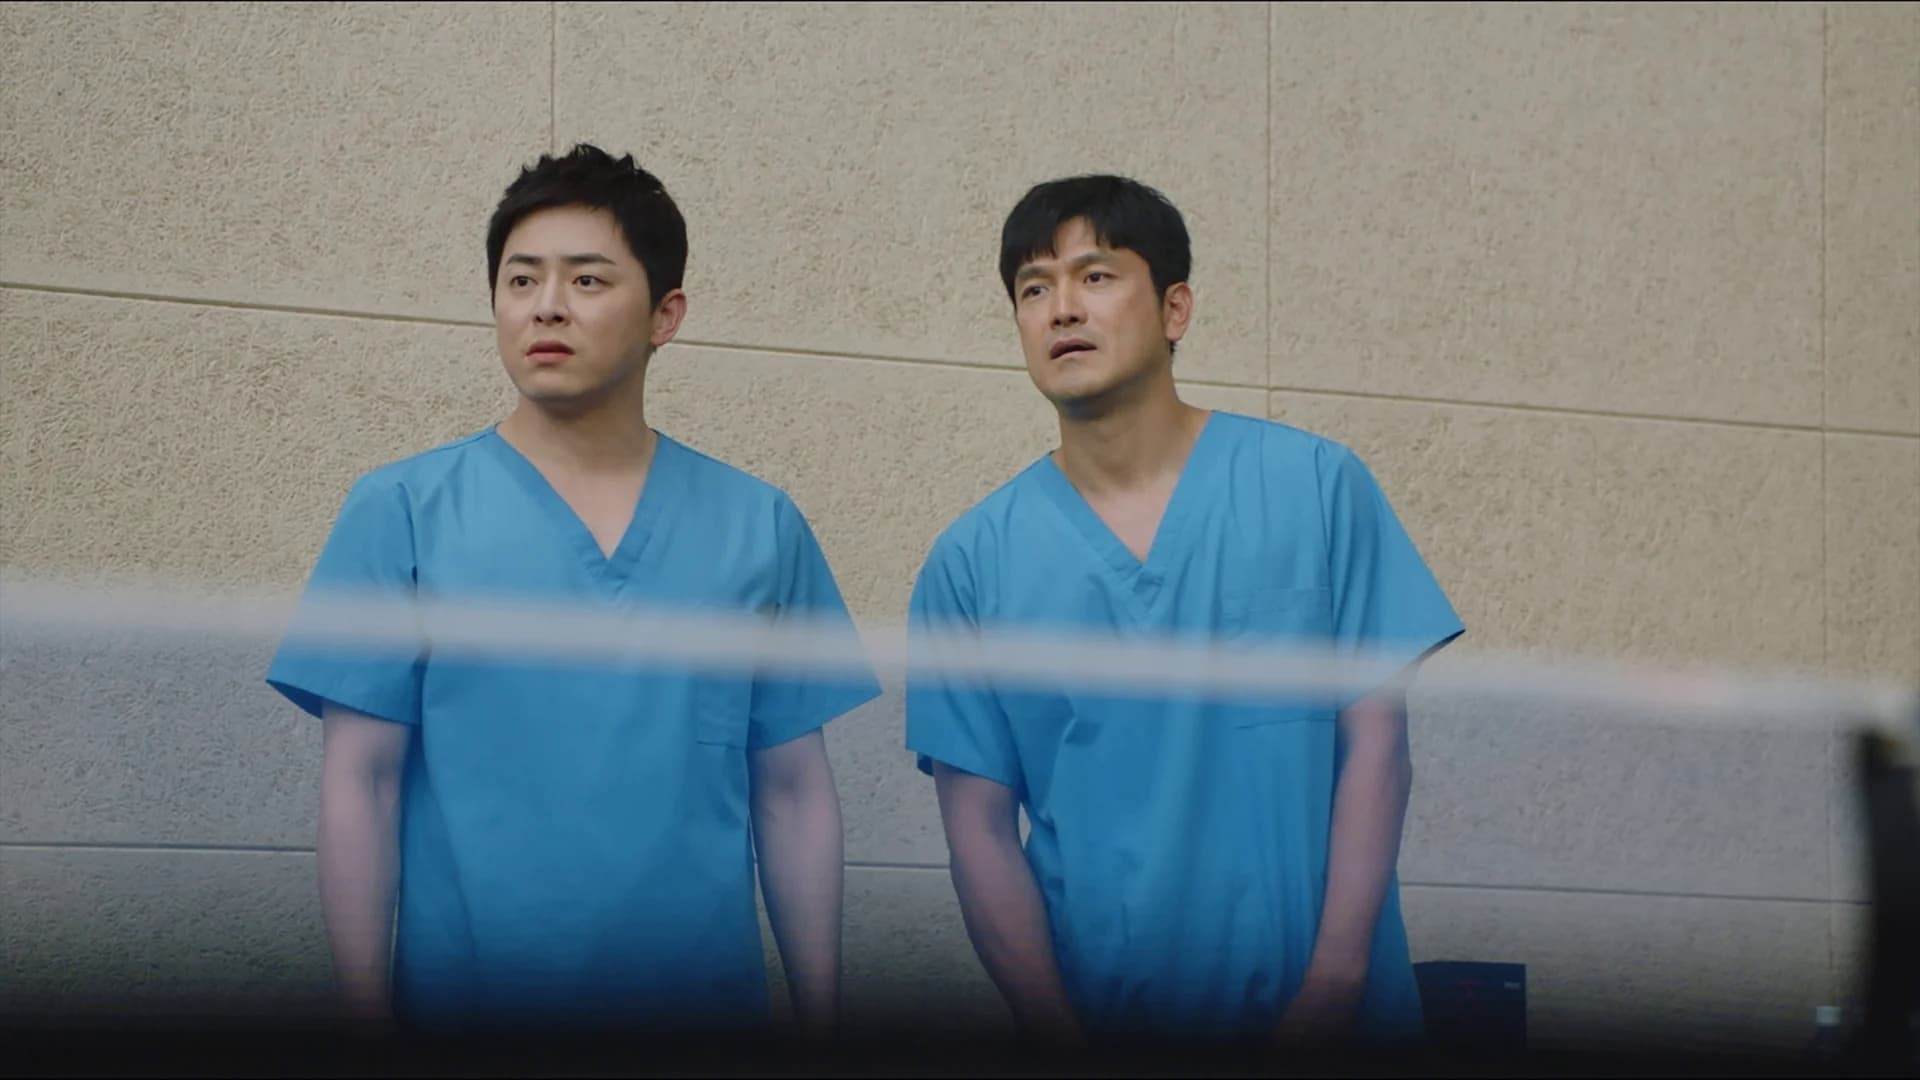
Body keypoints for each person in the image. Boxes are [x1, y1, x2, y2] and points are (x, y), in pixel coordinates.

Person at [265, 144, 877, 1040]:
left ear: (665, 315)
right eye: (521, 280)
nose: (546, 305)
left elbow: (792, 792)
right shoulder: (402, 512)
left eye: (587, 280)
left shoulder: (759, 526)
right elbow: (364, 783)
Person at [905, 174, 1464, 1049]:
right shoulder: (972, 562)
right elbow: (978, 835)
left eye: (1095, 276)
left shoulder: (1316, 487)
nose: (1061, 308)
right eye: (1034, 288)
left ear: (1175, 309)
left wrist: (1335, 986)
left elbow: (1377, 747)